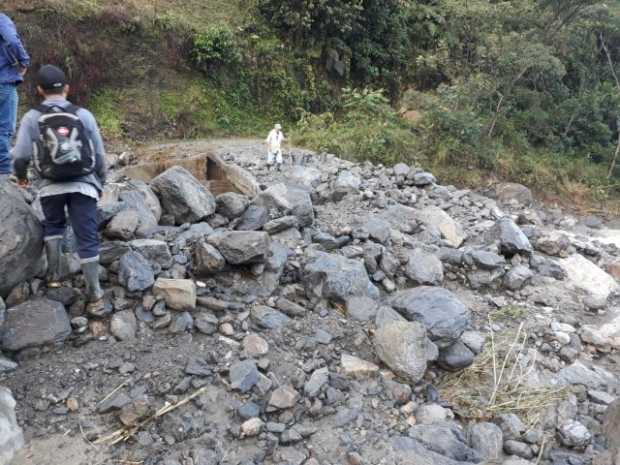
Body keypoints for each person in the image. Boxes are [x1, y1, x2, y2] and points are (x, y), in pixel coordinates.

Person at [13, 65, 107, 311]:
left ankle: (54, 276)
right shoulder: (83, 115)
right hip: (83, 186)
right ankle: (95, 292)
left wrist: (22, 178)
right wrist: (101, 182)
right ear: (67, 88)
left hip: (50, 185)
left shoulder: (32, 117)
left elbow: (20, 156)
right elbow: (99, 155)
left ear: (39, 90)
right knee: (86, 236)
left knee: (53, 226)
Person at [0, 13, 29, 177]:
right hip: (3, 81)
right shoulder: (1, 19)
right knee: (4, 128)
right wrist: (23, 60)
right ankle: (3, 173)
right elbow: (11, 39)